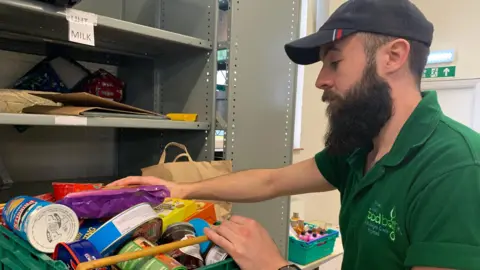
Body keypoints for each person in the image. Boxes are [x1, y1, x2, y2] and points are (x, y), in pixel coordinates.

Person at [109, 0, 480, 269]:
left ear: (394, 56)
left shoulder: (456, 169)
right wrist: (181, 190)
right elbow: (271, 181)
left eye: (334, 61)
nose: (321, 80)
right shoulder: (361, 149)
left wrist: (275, 267)